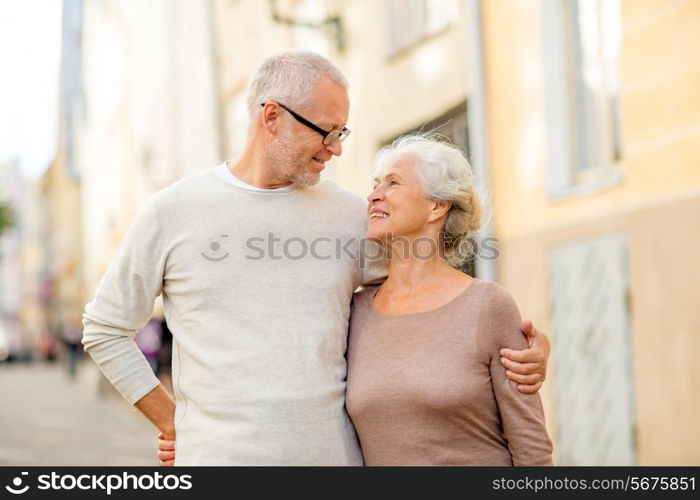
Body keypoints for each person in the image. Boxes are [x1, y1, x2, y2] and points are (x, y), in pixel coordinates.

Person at [83, 51, 550, 466]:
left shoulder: (353, 216)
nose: (337, 148)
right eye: (327, 131)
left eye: (342, 132)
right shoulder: (173, 212)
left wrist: (520, 353)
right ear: (271, 118)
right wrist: (174, 423)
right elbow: (105, 329)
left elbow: (430, 295)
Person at [345, 134, 552, 465]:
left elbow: (531, 445)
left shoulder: (487, 306)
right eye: (375, 184)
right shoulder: (354, 312)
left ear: (437, 206)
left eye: (392, 183)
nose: (373, 196)